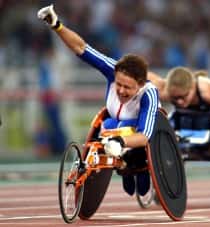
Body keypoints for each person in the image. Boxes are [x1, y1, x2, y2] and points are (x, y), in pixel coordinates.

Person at [37, 4, 160, 196]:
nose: (120, 90)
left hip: (138, 136)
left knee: (141, 185)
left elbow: (145, 136)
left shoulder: (149, 93)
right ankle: (121, 164)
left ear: (141, 84)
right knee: (109, 122)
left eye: (127, 87)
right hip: (113, 127)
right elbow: (81, 47)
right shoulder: (112, 68)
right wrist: (57, 25)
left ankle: (137, 166)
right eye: (118, 84)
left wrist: (121, 141)